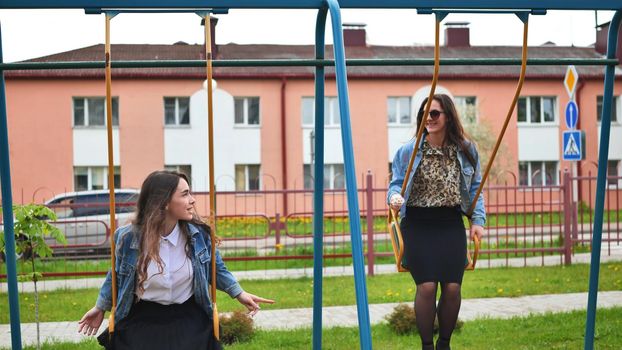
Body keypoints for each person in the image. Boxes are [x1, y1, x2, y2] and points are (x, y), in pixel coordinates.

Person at [78, 170, 274, 349]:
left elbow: (216, 269)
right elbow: (116, 274)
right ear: (164, 202)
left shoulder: (199, 236)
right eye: (185, 194)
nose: (193, 200)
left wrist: (239, 293)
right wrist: (100, 307)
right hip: (142, 316)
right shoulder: (128, 237)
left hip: (188, 315)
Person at [387, 94, 485, 350]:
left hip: (450, 222)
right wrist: (395, 198)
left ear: (448, 116)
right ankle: (427, 346)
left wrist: (477, 220)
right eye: (424, 113)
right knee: (428, 287)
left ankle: (444, 344)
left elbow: (475, 187)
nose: (428, 118)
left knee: (452, 288)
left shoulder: (465, 150)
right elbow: (396, 184)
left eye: (434, 113)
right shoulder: (409, 151)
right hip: (418, 224)